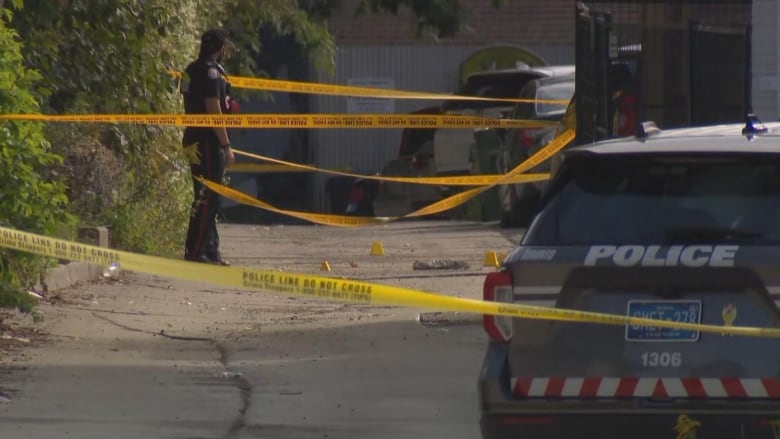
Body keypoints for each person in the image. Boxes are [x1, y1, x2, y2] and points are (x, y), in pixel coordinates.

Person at [180, 28, 237, 265]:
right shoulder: (211, 73)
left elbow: (185, 98)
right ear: (220, 49)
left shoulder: (190, 69)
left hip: (193, 136)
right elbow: (214, 110)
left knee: (207, 196)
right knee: (207, 196)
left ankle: (210, 249)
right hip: (207, 139)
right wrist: (226, 145)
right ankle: (196, 250)